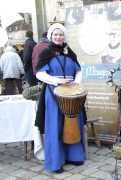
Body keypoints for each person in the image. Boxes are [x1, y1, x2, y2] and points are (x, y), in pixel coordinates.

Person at [35, 23, 86, 173]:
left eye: (61, 34)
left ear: (64, 36)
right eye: (55, 34)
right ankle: (56, 162)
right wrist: (57, 81)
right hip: (53, 92)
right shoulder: (45, 52)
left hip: (71, 93)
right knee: (55, 125)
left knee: (73, 122)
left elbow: (79, 70)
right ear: (51, 36)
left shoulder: (69, 51)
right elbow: (39, 74)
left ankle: (74, 156)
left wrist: (76, 82)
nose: (58, 37)